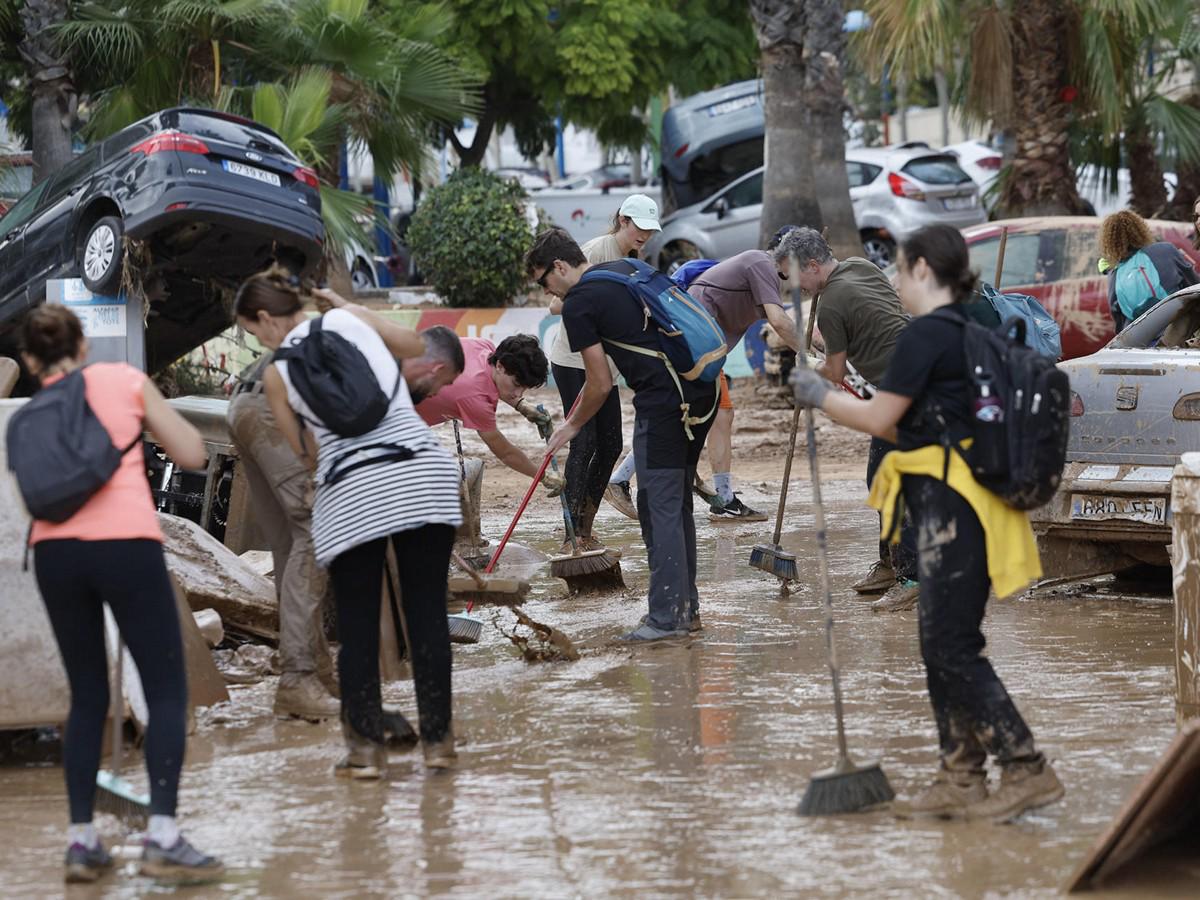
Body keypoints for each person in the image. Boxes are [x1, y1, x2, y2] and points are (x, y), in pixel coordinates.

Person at [789, 224, 1064, 822]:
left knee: (950, 644)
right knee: (941, 641)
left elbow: (881, 417)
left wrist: (817, 391)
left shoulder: (927, 336)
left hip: (953, 506)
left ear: (920, 271)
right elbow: (901, 428)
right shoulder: (970, 329)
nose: (892, 283)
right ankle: (959, 774)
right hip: (974, 502)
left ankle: (1024, 767)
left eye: (898, 270)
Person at [19, 304, 222, 882]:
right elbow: (192, 455)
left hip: (56, 556)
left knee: (85, 697)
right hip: (125, 545)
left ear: (31, 360)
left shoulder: (28, 417)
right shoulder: (124, 381)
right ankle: (162, 835)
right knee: (164, 690)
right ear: (82, 348)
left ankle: (81, 842)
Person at [236, 268, 462, 779]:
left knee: (358, 626)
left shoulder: (277, 372)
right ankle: (440, 745)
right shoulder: (351, 316)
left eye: (255, 331)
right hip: (422, 473)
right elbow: (415, 346)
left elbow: (306, 451)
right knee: (426, 615)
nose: (260, 340)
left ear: (268, 318)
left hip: (352, 493)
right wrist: (344, 304)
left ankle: (364, 754)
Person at [529, 227, 718, 641]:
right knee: (676, 501)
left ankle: (667, 618)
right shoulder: (624, 267)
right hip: (703, 391)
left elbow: (597, 384)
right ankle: (687, 611)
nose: (549, 293)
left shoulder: (579, 302)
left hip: (666, 402)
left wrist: (570, 427)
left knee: (657, 506)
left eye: (545, 282)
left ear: (559, 267)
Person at [783, 226, 919, 610]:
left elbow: (837, 373)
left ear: (812, 265)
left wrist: (809, 367)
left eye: (795, 277)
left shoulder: (828, 304)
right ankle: (892, 565)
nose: (796, 286)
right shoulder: (860, 265)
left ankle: (912, 578)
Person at [227, 352, 340, 721]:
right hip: (273, 411)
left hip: (244, 404)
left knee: (290, 543)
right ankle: (299, 678)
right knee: (316, 532)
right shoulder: (385, 368)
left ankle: (317, 669)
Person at [548, 194, 660, 544]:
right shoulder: (595, 253)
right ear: (622, 220)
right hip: (572, 360)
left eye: (649, 230)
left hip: (604, 367)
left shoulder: (634, 260)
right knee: (584, 441)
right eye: (638, 226)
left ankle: (585, 524)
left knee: (611, 444)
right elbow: (556, 304)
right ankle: (570, 534)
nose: (643, 235)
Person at [687, 241, 804, 521]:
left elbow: (776, 319)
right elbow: (778, 321)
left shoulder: (767, 275)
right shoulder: (761, 264)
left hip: (709, 350)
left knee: (722, 415)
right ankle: (621, 478)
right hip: (698, 344)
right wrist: (809, 353)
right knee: (676, 419)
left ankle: (724, 499)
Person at [414, 334, 561, 493]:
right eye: (516, 384)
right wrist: (542, 476)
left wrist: (521, 405)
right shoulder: (476, 398)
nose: (518, 393)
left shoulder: (484, 347)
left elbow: (495, 383)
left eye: (524, 389)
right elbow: (505, 453)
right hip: (392, 415)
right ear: (499, 366)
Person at [1099, 209, 1198, 332]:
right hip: (1175, 329)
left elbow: (1117, 314)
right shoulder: (1165, 249)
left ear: (1109, 241)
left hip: (1143, 338)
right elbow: (1194, 284)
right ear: (1140, 229)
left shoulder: (1115, 273)